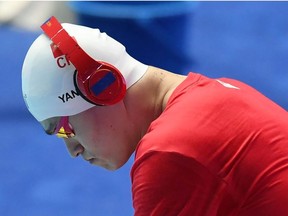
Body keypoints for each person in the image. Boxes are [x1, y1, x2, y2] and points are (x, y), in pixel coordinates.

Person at [22, 17, 288, 216]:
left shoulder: (171, 150)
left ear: (103, 88)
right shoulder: (220, 91)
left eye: (63, 128)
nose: (73, 150)